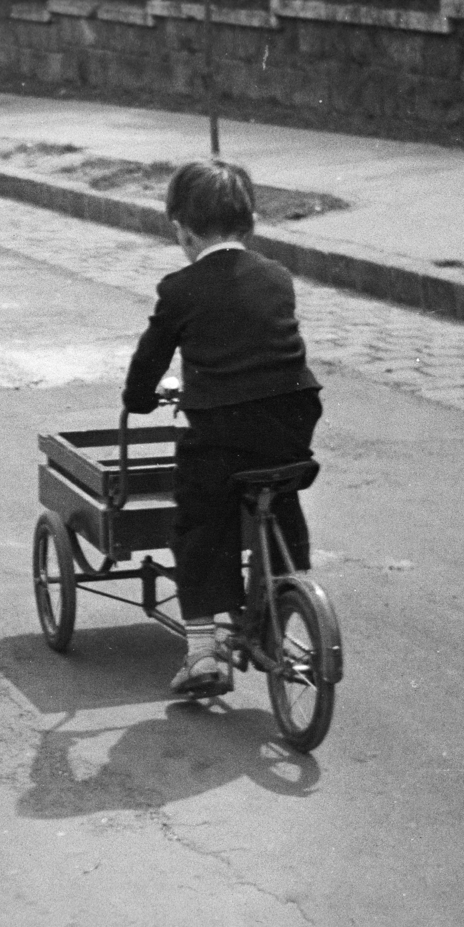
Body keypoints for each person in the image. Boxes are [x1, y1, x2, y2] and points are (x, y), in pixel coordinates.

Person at [121, 159, 323, 698]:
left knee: (199, 521)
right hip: (292, 420)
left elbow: (149, 362)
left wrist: (139, 399)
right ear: (252, 223)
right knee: (277, 493)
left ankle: (203, 654)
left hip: (221, 429)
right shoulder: (277, 276)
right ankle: (284, 590)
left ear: (182, 231)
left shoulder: (180, 288)